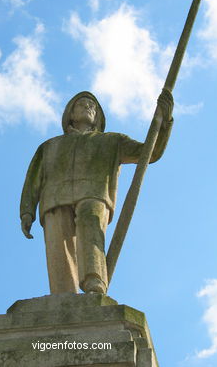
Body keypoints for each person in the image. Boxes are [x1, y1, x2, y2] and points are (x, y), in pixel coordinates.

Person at [20, 90, 173, 294]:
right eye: (81, 104)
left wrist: (163, 123)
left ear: (98, 117)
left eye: (92, 106)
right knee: (57, 241)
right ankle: (62, 292)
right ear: (70, 114)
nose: (87, 107)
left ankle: (95, 281)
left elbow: (149, 152)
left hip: (94, 193)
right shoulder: (50, 146)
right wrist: (27, 211)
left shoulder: (112, 141)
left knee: (90, 223)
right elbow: (33, 180)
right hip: (55, 197)